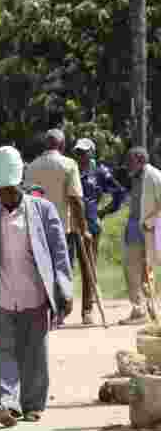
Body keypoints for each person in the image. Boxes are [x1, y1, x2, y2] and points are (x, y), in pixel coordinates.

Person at [0, 146, 72, 426]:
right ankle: (8, 404)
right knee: (4, 352)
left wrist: (65, 289)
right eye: (2, 191)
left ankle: (33, 404)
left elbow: (59, 253)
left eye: (12, 190)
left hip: (36, 294)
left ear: (20, 184)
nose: (7, 196)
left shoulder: (43, 210)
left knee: (35, 353)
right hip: (1, 295)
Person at [25, 129, 92, 322]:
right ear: (62, 146)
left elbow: (28, 197)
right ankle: (60, 310)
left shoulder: (32, 167)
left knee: (41, 267)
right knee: (62, 268)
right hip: (62, 228)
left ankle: (46, 309)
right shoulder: (69, 164)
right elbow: (76, 199)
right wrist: (84, 228)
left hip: (37, 227)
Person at [73, 138, 127, 324]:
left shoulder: (100, 172)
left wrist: (104, 211)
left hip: (90, 225)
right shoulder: (71, 169)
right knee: (65, 266)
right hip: (67, 223)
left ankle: (87, 310)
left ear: (91, 153)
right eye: (77, 152)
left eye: (83, 152)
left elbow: (120, 192)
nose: (80, 156)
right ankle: (61, 309)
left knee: (87, 266)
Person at [121, 147, 161, 325]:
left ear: (140, 159)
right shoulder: (135, 176)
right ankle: (140, 308)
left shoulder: (154, 176)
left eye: (131, 160)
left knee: (146, 270)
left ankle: (149, 308)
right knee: (132, 268)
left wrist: (151, 222)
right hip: (133, 226)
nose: (128, 164)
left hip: (146, 227)